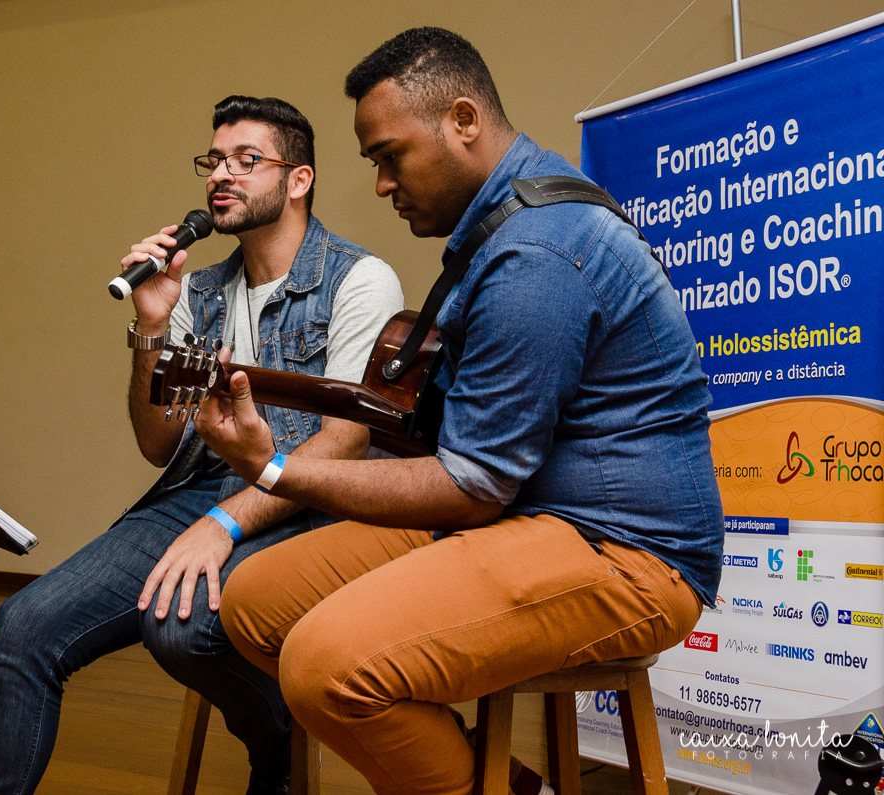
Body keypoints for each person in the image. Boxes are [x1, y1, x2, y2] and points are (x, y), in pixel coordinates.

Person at [194, 29, 724, 795]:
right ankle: (502, 782)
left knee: (321, 666)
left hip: (627, 549)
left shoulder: (538, 252)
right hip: (522, 507)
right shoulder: (502, 222)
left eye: (388, 155)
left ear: (463, 121)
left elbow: (471, 483)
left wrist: (272, 467)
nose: (380, 182)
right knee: (253, 602)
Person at [0, 95, 404, 795]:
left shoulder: (358, 281)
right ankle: (281, 733)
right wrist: (151, 325)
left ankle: (276, 748)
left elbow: (344, 447)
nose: (221, 175)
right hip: (206, 491)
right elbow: (157, 439)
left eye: (246, 160)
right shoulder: (203, 292)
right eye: (214, 161)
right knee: (22, 626)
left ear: (299, 179)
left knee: (182, 625)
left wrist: (224, 525)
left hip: (311, 503)